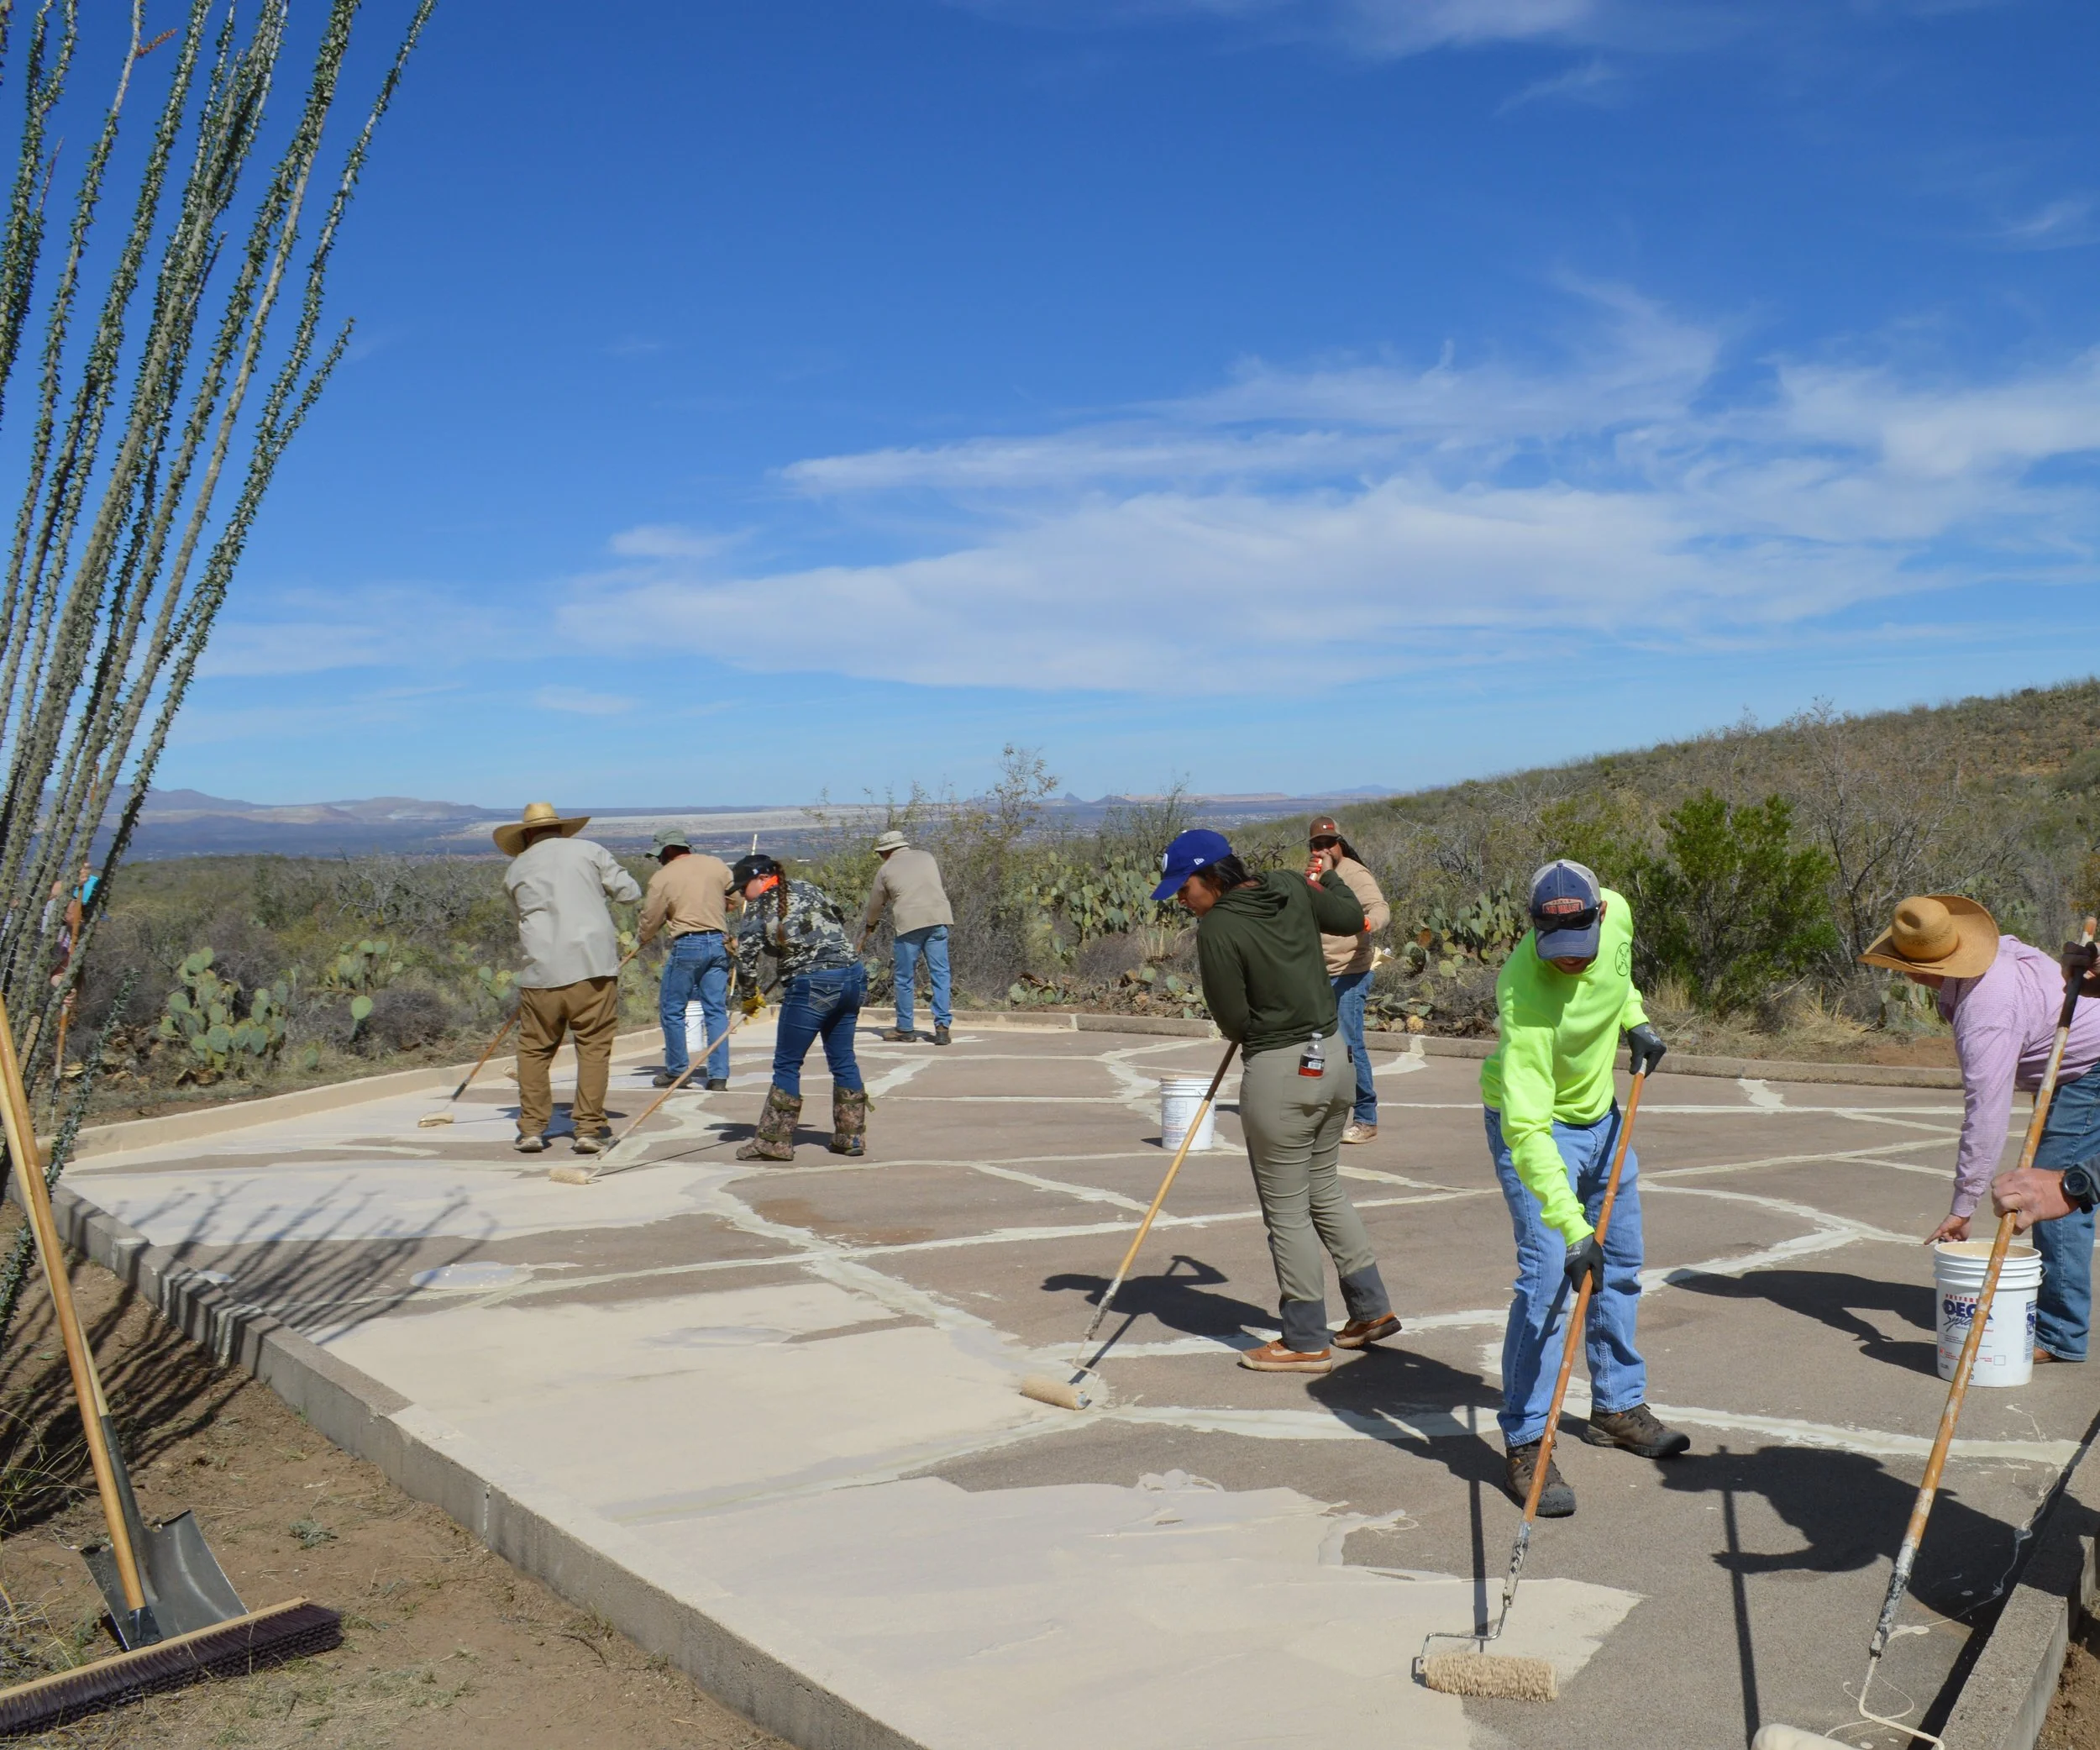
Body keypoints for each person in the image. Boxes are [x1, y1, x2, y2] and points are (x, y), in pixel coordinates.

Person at [1480, 858, 1683, 1518]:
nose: (1570, 961)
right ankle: (1526, 1439)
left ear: (1600, 915)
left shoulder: (1618, 911)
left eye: (1581, 947)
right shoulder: (1524, 995)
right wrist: (1571, 1229)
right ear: (1535, 930)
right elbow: (1529, 1130)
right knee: (1547, 1282)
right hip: (1541, 1132)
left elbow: (1619, 979)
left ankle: (1617, 1406)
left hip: (1603, 1115)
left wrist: (1636, 1021)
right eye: (1555, 950)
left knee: (1620, 1263)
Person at [1160, 828, 1399, 1374]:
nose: (1180, 898)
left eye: (1183, 886)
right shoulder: (1290, 885)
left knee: (1287, 1209)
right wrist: (1327, 870)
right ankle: (1371, 1309)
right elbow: (1346, 915)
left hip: (1280, 1071)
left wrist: (1259, 1021)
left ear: (1210, 877)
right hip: (1333, 1058)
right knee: (1324, 1189)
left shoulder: (1218, 926)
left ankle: (1305, 1338)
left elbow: (1233, 1018)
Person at [1863, 898, 2100, 1362]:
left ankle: (2059, 1333)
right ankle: (2056, 1318)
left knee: (2054, 1196)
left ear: (1911, 969)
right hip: (2070, 1066)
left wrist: (1964, 1204)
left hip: (2087, 1071)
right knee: (2053, 1184)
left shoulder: (1985, 1012)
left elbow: (1986, 1112)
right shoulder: (2001, 951)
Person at [496, 801, 641, 1155]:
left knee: (534, 1050)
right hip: (592, 968)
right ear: (561, 828)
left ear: (526, 834)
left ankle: (531, 1128)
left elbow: (521, 921)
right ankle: (588, 1129)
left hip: (541, 972)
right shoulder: (590, 851)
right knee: (592, 1048)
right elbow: (630, 894)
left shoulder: (516, 870)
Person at [732, 852, 868, 1160]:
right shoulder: (807, 887)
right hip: (853, 978)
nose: (742, 894)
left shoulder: (759, 906)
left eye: (744, 887)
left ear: (762, 878)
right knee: (844, 1060)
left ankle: (773, 1141)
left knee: (787, 1063)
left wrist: (749, 996)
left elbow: (746, 958)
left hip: (812, 984)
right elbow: (835, 918)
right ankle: (851, 1138)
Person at [1305, 816, 1389, 1144]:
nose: (1324, 849)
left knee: (1350, 1046)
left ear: (1340, 845)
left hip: (1350, 971)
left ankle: (1366, 1119)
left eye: (1330, 843)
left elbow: (1379, 906)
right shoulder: (1309, 874)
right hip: (1316, 972)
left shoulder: (1354, 873)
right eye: (1317, 844)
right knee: (1316, 1046)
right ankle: (1323, 1114)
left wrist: (1367, 923)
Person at [638, 827, 737, 1090]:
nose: (658, 859)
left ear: (669, 850)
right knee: (715, 1010)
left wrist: (643, 938)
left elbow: (651, 918)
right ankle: (718, 1076)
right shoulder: (715, 865)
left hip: (688, 944)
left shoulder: (663, 877)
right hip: (719, 942)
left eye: (660, 854)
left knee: (673, 1009)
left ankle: (678, 1070)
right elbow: (735, 898)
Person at [860, 829, 954, 1045]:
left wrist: (870, 924)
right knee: (940, 974)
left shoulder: (886, 869)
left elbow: (876, 904)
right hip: (938, 919)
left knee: (904, 978)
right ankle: (942, 1027)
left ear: (886, 851)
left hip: (909, 925)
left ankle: (905, 1028)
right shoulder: (927, 857)